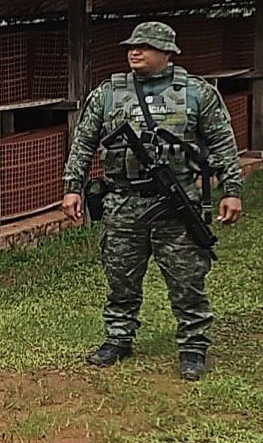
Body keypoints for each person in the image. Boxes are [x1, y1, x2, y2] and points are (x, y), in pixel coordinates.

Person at [61, 21, 243, 381]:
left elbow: (223, 143)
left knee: (187, 278)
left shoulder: (196, 93)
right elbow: (83, 142)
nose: (135, 51)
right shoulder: (108, 94)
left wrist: (232, 190)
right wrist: (72, 186)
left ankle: (193, 347)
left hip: (176, 203)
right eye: (131, 46)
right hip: (124, 202)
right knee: (120, 277)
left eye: (145, 46)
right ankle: (118, 338)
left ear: (168, 53)